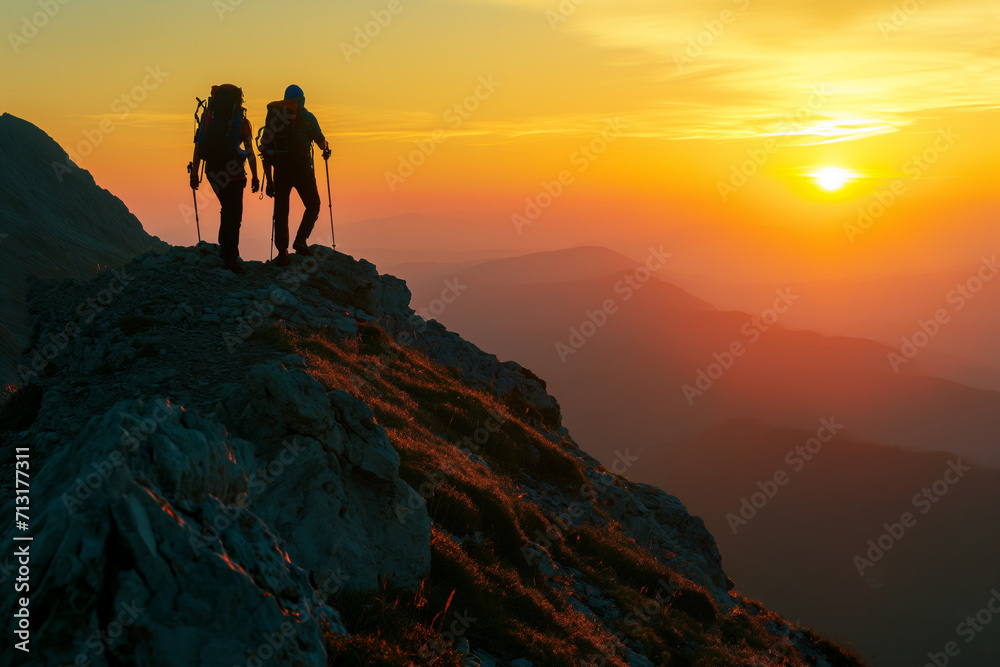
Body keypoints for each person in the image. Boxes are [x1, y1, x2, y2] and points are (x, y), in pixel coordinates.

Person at [189, 84, 259, 274]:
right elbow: (250, 151)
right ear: (238, 101)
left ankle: (224, 250)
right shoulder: (242, 123)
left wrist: (194, 174)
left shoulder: (208, 119)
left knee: (227, 208)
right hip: (234, 173)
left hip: (212, 172)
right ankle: (230, 257)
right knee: (234, 214)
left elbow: (198, 146)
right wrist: (255, 176)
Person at [262, 84, 330, 266]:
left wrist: (269, 181)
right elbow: (321, 141)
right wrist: (326, 149)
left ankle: (283, 252)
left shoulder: (275, 118)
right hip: (302, 170)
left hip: (281, 169)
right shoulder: (307, 117)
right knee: (313, 205)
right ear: (302, 99)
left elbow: (266, 150)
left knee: (281, 210)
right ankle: (300, 241)